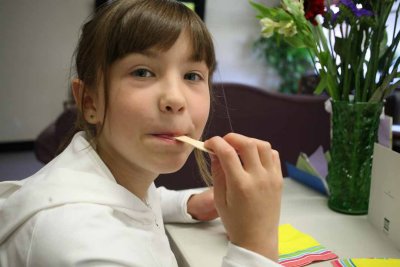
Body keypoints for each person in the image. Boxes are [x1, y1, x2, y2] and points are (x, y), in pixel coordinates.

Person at [0, 0, 283, 266]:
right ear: (89, 101)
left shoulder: (113, 167)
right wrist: (255, 243)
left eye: (192, 76)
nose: (175, 99)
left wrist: (191, 203)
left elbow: (139, 197)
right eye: (143, 73)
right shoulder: (84, 245)